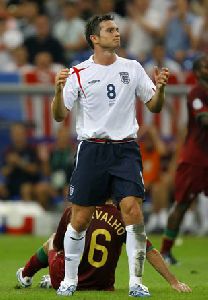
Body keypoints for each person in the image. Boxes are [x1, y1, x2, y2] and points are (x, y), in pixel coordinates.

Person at [52, 14, 169, 297]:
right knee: (79, 219)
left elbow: (154, 106)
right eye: (109, 30)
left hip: (125, 150)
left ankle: (136, 283)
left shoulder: (133, 68)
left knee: (133, 211)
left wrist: (161, 89)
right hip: (91, 149)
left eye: (117, 29)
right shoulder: (78, 72)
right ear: (94, 38)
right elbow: (59, 115)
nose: (116, 33)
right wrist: (57, 90)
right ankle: (69, 280)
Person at [16, 203, 191, 293]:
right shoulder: (123, 218)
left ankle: (25, 275)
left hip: (65, 280)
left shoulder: (74, 211)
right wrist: (173, 282)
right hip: (101, 284)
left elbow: (61, 247)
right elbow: (149, 251)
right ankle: (45, 279)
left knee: (53, 240)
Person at [160, 55, 208, 264]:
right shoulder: (196, 92)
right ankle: (165, 251)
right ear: (197, 72)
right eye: (205, 65)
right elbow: (204, 119)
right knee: (182, 204)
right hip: (195, 160)